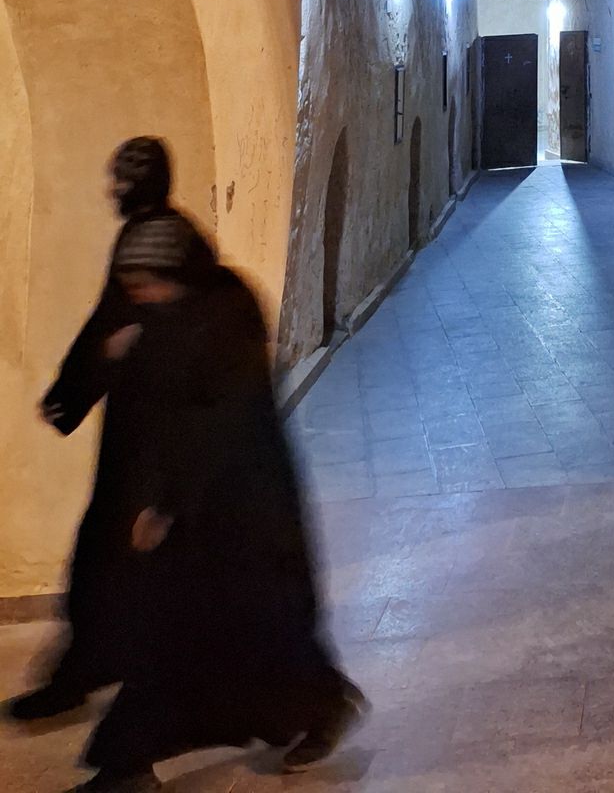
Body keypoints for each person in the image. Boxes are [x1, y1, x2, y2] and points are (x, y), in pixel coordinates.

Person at [77, 213, 365, 792]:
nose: (143, 298)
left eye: (148, 285)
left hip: (244, 512)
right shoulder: (175, 314)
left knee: (250, 632)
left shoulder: (225, 312)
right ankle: (128, 765)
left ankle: (323, 705)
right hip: (199, 515)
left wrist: (167, 505)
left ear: (178, 271)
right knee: (179, 640)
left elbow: (221, 427)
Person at [5, 139, 215, 723]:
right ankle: (90, 668)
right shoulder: (153, 236)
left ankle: (119, 680)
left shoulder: (162, 242)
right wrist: (69, 394)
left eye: (121, 179)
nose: (112, 190)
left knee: (140, 558)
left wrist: (75, 390)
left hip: (161, 437)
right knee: (106, 552)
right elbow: (110, 326)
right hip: (137, 430)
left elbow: (151, 331)